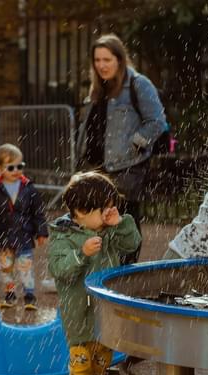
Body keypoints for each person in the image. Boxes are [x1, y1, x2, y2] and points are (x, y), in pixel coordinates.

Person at [47, 171, 141, 375]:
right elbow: (60, 270)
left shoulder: (107, 230)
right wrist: (81, 253)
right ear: (80, 210)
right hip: (79, 312)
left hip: (102, 311)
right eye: (104, 208)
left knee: (102, 359)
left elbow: (132, 245)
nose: (109, 212)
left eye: (112, 206)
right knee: (82, 361)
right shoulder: (63, 236)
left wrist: (120, 222)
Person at [76, 33, 166, 265]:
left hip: (126, 167)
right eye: (97, 60)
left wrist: (135, 145)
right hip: (97, 167)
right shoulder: (98, 88)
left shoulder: (138, 84)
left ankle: (126, 273)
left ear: (119, 59)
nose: (102, 65)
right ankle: (105, 273)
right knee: (98, 222)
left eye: (107, 59)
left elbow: (157, 121)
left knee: (125, 221)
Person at [0, 144, 48, 310]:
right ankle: (10, 295)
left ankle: (29, 295)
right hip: (3, 235)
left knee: (25, 266)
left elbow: (38, 212)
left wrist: (41, 231)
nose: (16, 170)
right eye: (11, 167)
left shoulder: (29, 188)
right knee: (6, 268)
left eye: (20, 166)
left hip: (24, 233)